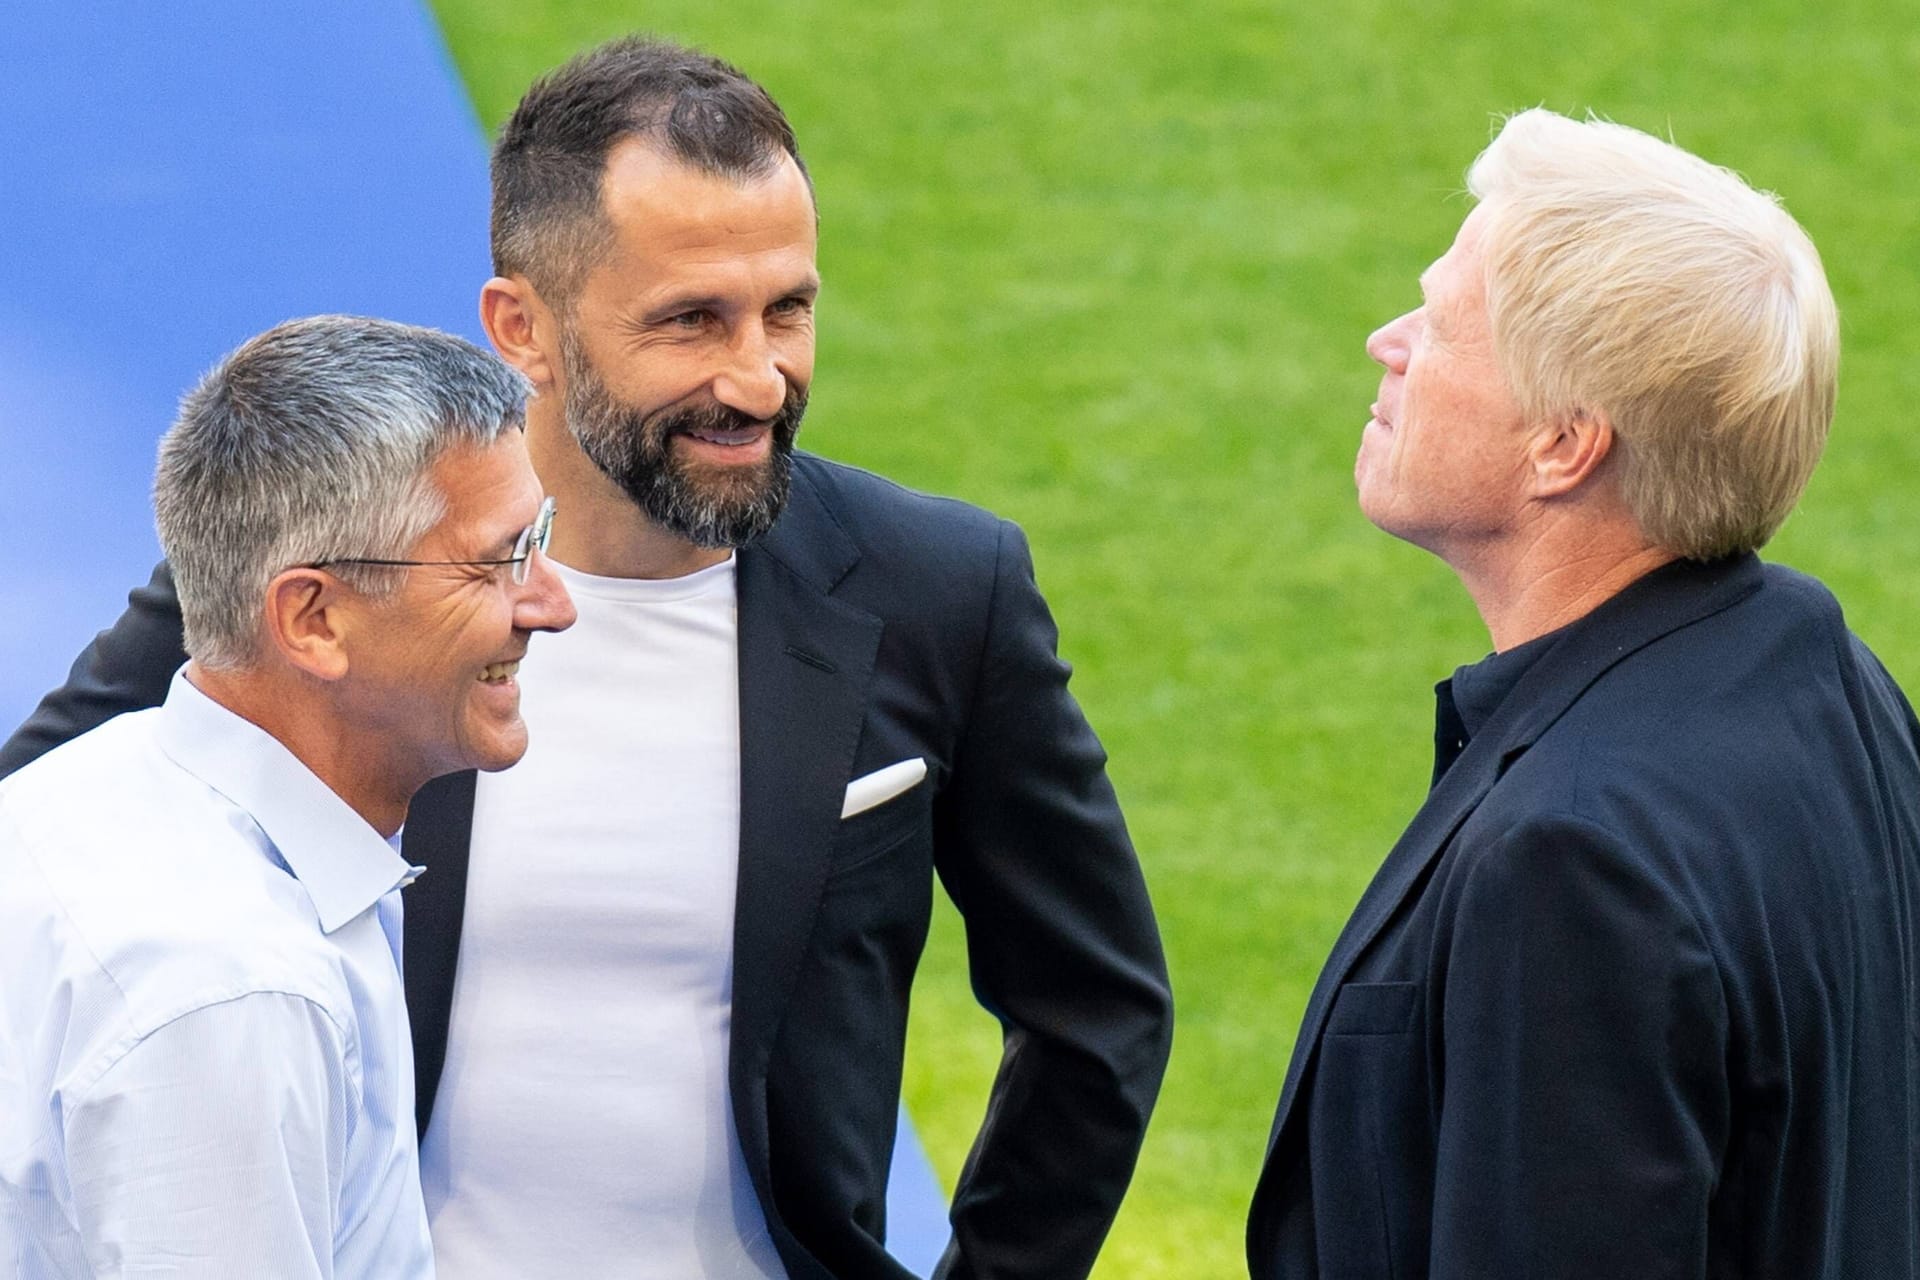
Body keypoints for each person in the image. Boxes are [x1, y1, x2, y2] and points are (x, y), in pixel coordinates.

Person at [1, 36, 1174, 1280]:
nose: (760, 376)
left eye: (789, 307)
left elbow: (1093, 1007)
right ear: (526, 327)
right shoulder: (330, 564)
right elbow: (47, 854)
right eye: (690, 321)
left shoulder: (938, 589)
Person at [1245, 108, 1920, 1278]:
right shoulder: (1839, 685)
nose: (1385, 341)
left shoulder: (1571, 860)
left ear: (1566, 442)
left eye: (1443, 326)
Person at [0, 315, 575, 1277]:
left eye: (540, 538)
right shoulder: (230, 988)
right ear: (312, 619)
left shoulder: (99, 792)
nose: (553, 602)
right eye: (499, 558)